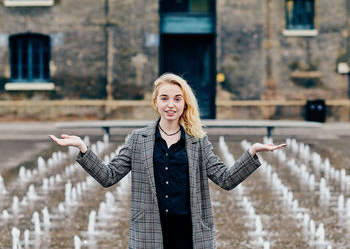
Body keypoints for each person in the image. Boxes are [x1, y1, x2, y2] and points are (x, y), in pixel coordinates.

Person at [49, 73, 286, 249]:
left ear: (184, 104)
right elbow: (108, 176)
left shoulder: (198, 142)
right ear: (156, 102)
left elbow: (226, 180)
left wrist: (252, 152)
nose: (170, 104)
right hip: (150, 229)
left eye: (177, 99)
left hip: (189, 231)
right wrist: (82, 148)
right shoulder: (138, 139)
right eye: (164, 98)